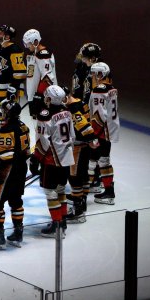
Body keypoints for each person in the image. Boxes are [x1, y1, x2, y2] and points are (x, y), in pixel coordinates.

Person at [0, 101, 31, 249]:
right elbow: (26, 151)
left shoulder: (6, 131)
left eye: (3, 111)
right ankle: (18, 233)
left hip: (8, 170)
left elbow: (6, 157)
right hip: (21, 167)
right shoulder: (23, 126)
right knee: (16, 200)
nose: (1, 113)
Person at [31, 85, 75, 237]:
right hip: (66, 157)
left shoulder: (45, 115)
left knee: (50, 191)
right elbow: (72, 136)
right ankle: (61, 222)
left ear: (49, 98)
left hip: (52, 159)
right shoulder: (67, 112)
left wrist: (36, 158)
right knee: (61, 190)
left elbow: (43, 141)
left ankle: (57, 226)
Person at [64, 83, 99, 223]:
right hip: (84, 144)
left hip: (78, 146)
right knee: (83, 174)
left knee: (74, 176)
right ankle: (82, 200)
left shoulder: (72, 108)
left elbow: (82, 123)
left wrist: (91, 137)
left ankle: (78, 211)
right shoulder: (80, 102)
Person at [87, 62, 119, 205]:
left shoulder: (98, 90)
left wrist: (92, 135)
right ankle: (107, 191)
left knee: (92, 160)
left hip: (100, 132)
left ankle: (81, 193)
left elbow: (98, 115)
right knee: (103, 160)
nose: (92, 76)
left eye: (94, 74)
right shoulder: (111, 88)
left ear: (100, 74)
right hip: (109, 130)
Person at [0, 24, 26, 113]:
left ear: (7, 36)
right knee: (0, 113)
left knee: (10, 113)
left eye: (1, 32)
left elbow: (20, 71)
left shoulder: (15, 49)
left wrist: (14, 86)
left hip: (9, 88)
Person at [22, 28, 56, 119]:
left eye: (28, 43)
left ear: (35, 41)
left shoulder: (43, 54)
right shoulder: (34, 54)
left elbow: (48, 77)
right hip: (33, 95)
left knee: (43, 123)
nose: (27, 46)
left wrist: (39, 95)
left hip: (41, 96)